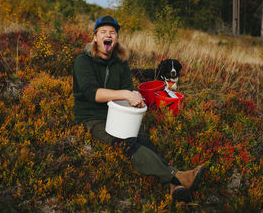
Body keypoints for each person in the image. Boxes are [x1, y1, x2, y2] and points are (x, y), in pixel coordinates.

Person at [73, 15, 204, 202]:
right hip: (93, 118)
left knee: (143, 140)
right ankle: (178, 176)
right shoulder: (83, 61)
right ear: (95, 37)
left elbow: (129, 89)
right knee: (128, 143)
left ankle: (173, 186)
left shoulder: (121, 62)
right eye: (103, 32)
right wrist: (126, 95)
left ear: (116, 39)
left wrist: (136, 99)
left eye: (112, 32)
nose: (107, 35)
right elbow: (92, 93)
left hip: (118, 113)